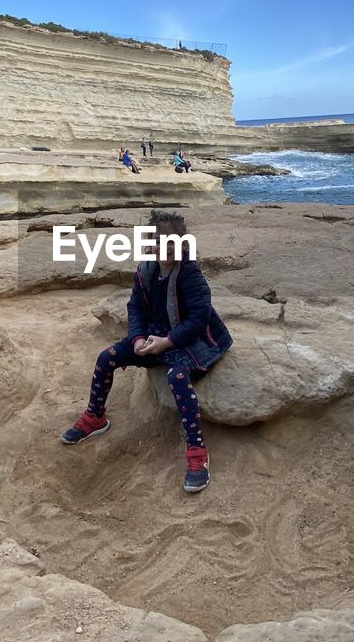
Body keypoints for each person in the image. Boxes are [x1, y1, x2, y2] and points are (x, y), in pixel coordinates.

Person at [59, 210, 232, 492]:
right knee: (107, 357)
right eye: (159, 244)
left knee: (177, 377)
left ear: (183, 244)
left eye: (172, 244)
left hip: (190, 338)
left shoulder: (190, 274)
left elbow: (199, 320)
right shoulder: (145, 271)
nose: (166, 251)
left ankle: (197, 451)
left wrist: (167, 342)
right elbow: (136, 307)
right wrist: (137, 338)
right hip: (154, 332)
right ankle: (95, 416)